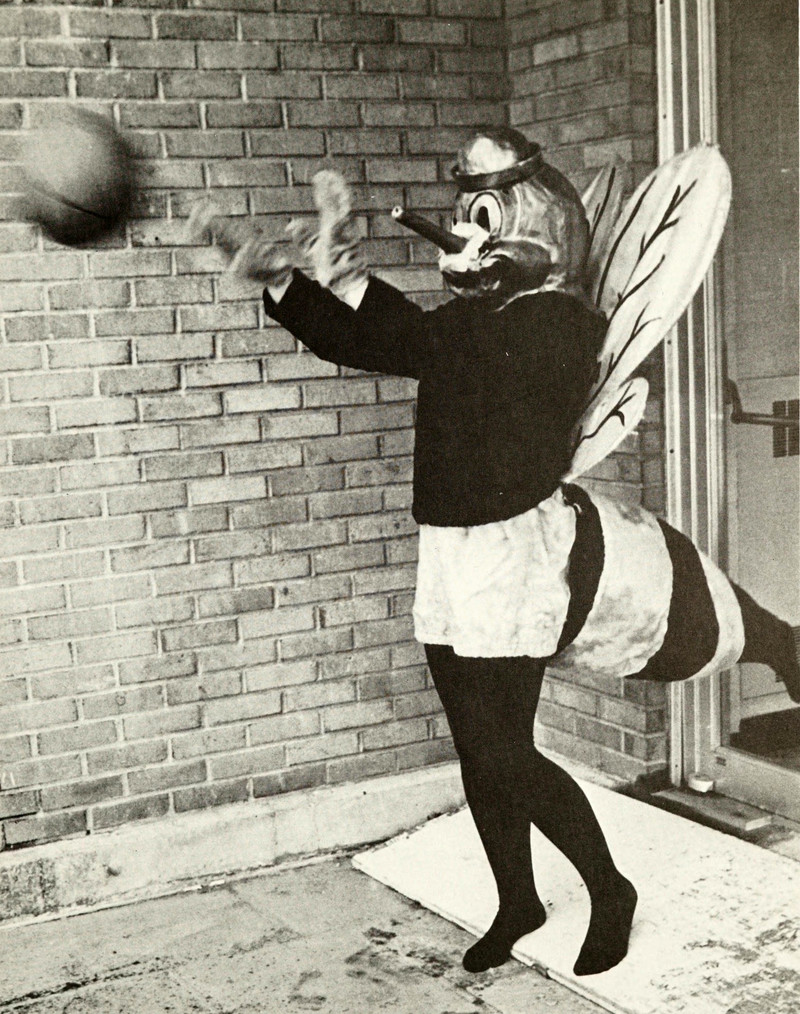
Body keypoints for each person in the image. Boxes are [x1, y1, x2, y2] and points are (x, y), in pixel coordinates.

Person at [188, 128, 800, 978]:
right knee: (477, 750)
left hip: (517, 553)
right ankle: (517, 899)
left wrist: (339, 276)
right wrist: (289, 281)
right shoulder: (481, 319)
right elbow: (375, 342)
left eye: (483, 217)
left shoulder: (558, 322)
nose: (461, 234)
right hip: (451, 550)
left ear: (531, 224)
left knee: (505, 749)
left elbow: (429, 346)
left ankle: (610, 889)